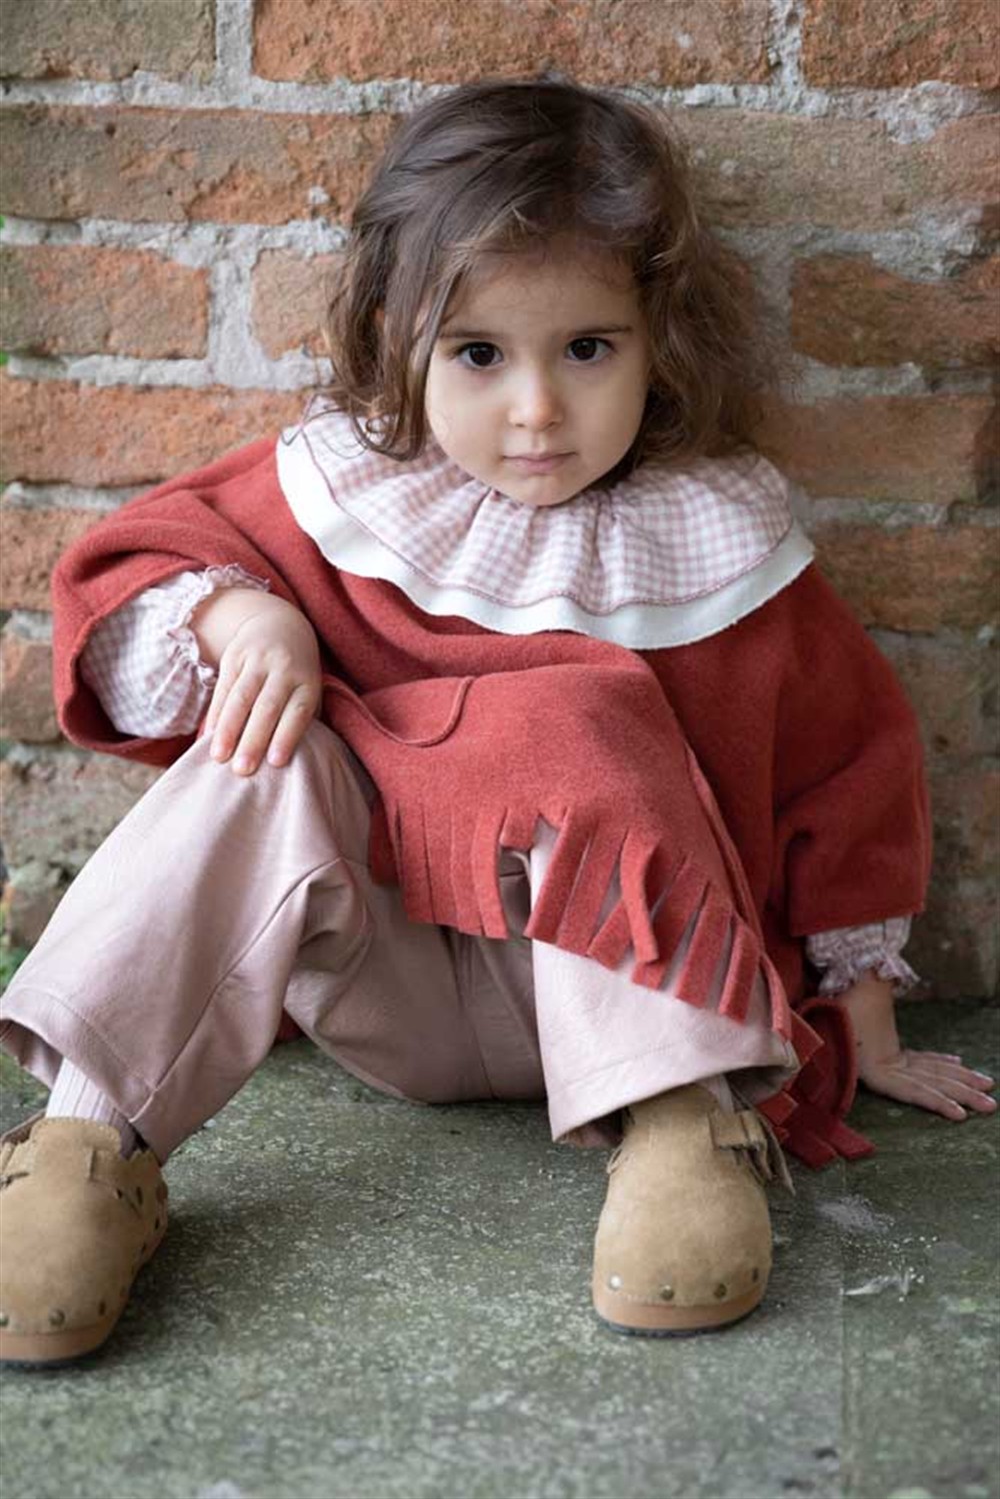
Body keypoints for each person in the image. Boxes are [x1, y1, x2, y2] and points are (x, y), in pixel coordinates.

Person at [1, 75, 994, 1367]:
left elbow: (845, 774)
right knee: (269, 752)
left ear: (658, 340)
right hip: (390, 983)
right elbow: (134, 575)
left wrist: (868, 1024)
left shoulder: (721, 541)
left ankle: (686, 1132)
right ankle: (89, 1142)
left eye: (587, 349)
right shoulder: (342, 492)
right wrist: (242, 619)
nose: (536, 410)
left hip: (639, 1009)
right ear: (399, 339)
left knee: (580, 709)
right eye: (478, 354)